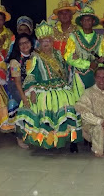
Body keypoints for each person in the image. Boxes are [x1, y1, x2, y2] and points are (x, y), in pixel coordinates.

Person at [15, 21, 82, 151]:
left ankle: (69, 140)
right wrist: (32, 91)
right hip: (42, 89)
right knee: (44, 104)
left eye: (48, 41)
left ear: (52, 41)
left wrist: (74, 60)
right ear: (39, 42)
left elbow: (65, 70)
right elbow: (31, 76)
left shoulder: (58, 54)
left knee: (68, 103)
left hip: (61, 87)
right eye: (43, 41)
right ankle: (47, 141)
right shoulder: (35, 57)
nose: (46, 44)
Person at [64, 5, 104, 99]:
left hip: (94, 76)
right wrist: (88, 64)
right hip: (78, 75)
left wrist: (100, 76)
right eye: (84, 20)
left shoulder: (100, 38)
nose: (86, 22)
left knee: (95, 103)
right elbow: (68, 57)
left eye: (89, 19)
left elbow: (101, 59)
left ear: (93, 21)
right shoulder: (73, 37)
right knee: (80, 103)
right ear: (81, 22)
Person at [8, 33, 35, 148]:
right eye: (21, 44)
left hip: (33, 86)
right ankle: (20, 137)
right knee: (24, 105)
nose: (25, 45)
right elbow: (17, 83)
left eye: (27, 42)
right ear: (17, 46)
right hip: (17, 87)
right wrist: (24, 98)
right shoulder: (15, 61)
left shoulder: (36, 56)